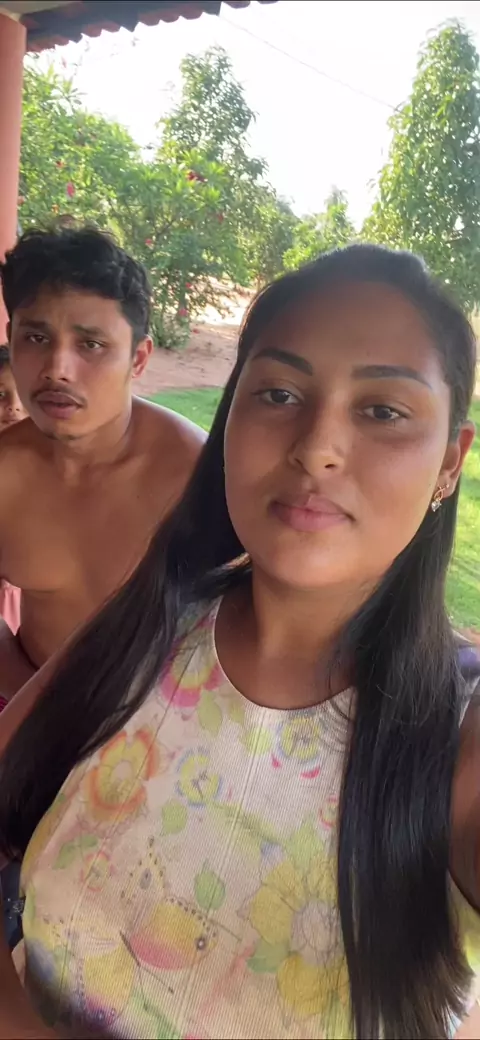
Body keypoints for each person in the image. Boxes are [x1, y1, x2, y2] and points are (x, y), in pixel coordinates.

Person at [0, 244, 479, 1040]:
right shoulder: (139, 629)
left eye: (382, 411)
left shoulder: (457, 743)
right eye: (280, 393)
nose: (317, 447)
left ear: (449, 464)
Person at [0, 227, 205, 698]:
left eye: (90, 344)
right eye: (36, 337)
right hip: (27, 702)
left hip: (168, 719)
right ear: (11, 339)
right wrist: (35, 706)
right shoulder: (5, 475)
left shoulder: (197, 478)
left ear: (139, 359)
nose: (57, 368)